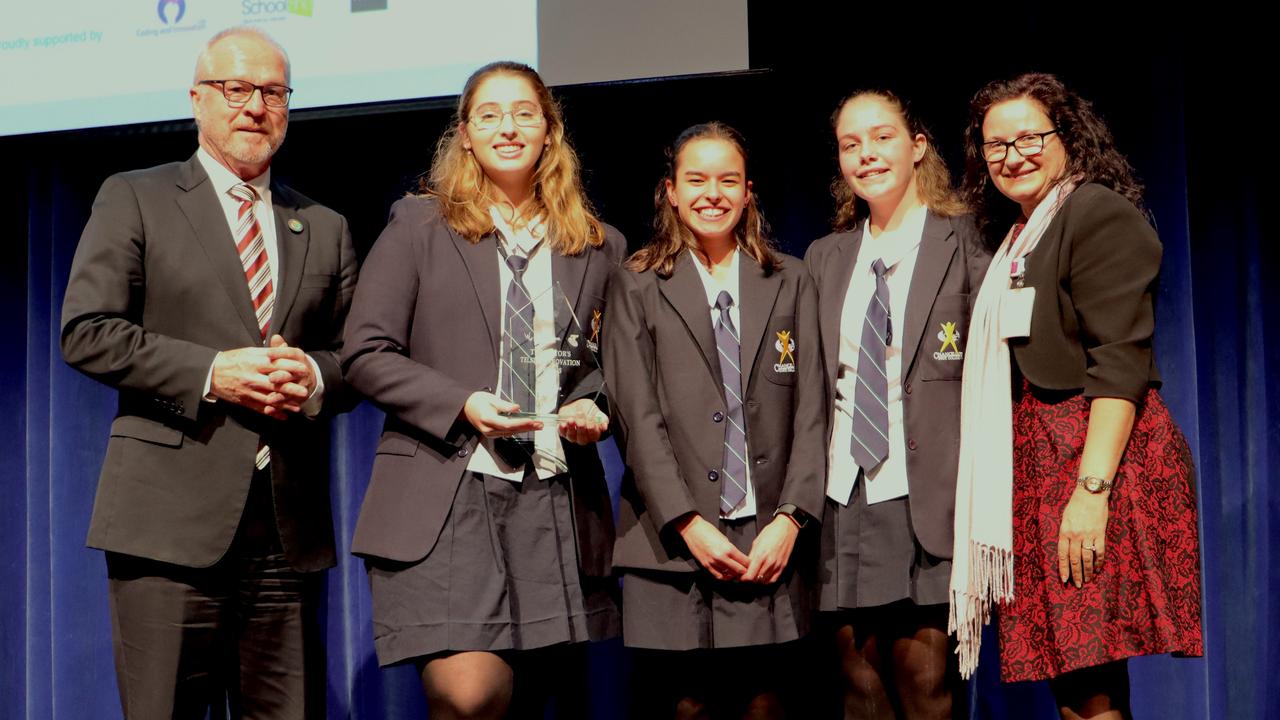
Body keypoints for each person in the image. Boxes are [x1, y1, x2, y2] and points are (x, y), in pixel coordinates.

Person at [60, 26, 357, 719]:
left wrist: (312, 375)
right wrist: (210, 371)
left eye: (273, 92)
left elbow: (358, 360)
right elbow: (87, 332)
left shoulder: (326, 224)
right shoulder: (136, 197)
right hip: (166, 528)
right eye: (237, 89)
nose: (255, 105)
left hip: (286, 535)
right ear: (198, 99)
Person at [340, 61, 624, 720]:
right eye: (489, 114)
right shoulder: (419, 226)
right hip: (449, 496)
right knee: (469, 699)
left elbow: (610, 369)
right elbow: (365, 353)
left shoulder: (598, 246)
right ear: (465, 134)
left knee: (530, 703)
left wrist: (594, 406)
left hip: (553, 503)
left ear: (550, 131)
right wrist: (462, 404)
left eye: (525, 112)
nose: (508, 127)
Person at [951, 72, 1203, 719]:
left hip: (1092, 459)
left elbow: (1121, 362)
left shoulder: (1094, 213)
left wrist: (1092, 494)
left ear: (1069, 137)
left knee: (1091, 684)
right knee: (1076, 683)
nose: (1014, 155)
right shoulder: (1020, 237)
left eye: (1030, 137)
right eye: (996, 145)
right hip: (1042, 462)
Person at [604, 122, 825, 719]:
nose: (712, 193)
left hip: (767, 539)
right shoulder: (637, 282)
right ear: (670, 192)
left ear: (748, 191)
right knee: (687, 706)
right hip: (672, 544)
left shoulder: (790, 277)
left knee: (765, 704)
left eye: (728, 180)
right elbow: (635, 419)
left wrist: (792, 518)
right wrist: (687, 522)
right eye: (695, 179)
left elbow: (813, 410)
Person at [805, 90, 989, 719]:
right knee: (862, 694)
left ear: (916, 147)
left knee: (926, 688)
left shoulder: (966, 241)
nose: (867, 155)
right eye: (850, 144)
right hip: (845, 495)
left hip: (927, 496)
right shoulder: (825, 258)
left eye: (882, 137)